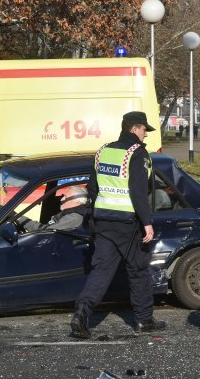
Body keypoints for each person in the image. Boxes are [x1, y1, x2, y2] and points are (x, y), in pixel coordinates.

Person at [70, 111, 165, 338]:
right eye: (144, 130)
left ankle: (81, 313)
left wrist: (98, 211)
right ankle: (144, 320)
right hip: (128, 223)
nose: (145, 135)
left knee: (101, 270)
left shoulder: (104, 150)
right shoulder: (137, 153)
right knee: (138, 269)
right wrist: (147, 223)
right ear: (134, 129)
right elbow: (139, 192)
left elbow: (92, 187)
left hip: (103, 220)